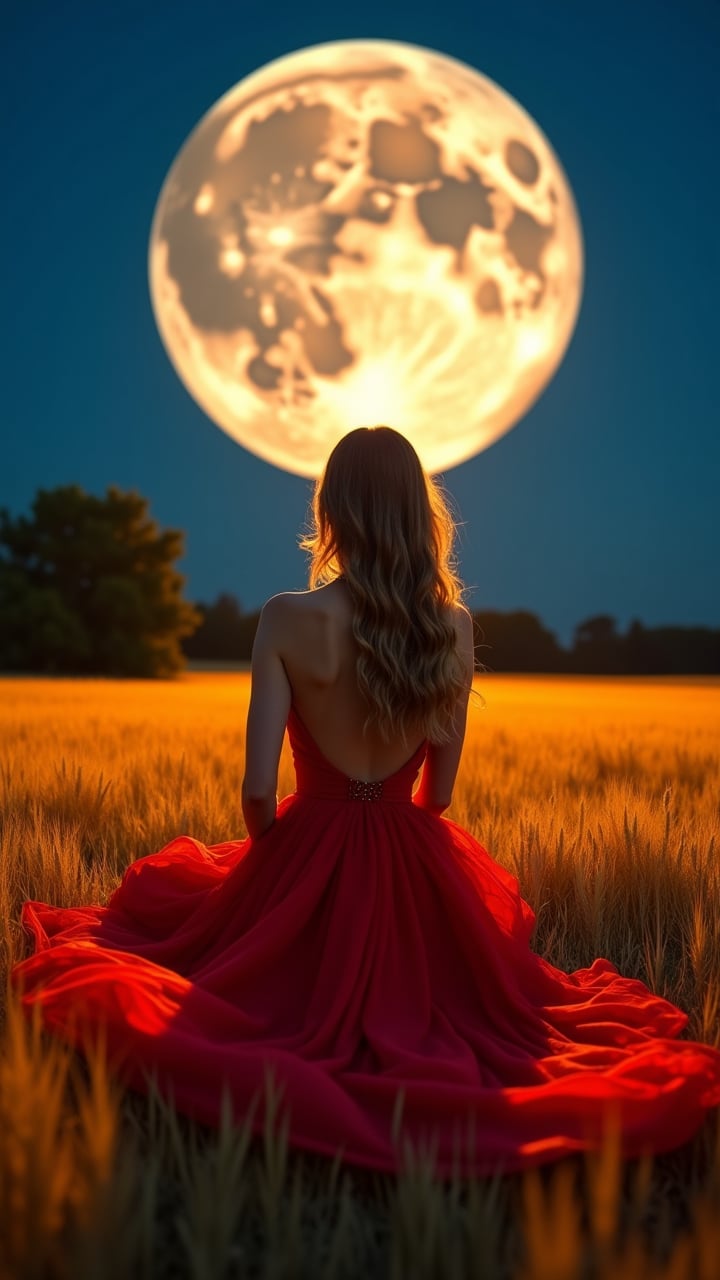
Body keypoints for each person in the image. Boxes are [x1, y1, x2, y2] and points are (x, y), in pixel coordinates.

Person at [12, 426, 720, 1179]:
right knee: (481, 1025)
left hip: (302, 846)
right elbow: (437, 796)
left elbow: (258, 789)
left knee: (212, 987)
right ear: (420, 514)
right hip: (414, 859)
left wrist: (275, 877)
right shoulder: (452, 629)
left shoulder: (286, 617)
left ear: (333, 512)